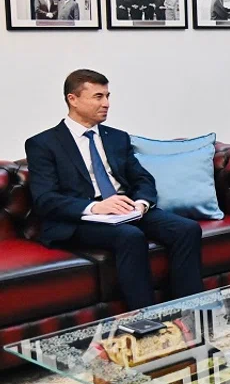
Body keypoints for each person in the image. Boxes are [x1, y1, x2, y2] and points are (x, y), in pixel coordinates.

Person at [25, 70, 203, 309]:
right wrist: (96, 206)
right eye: (98, 96)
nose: (106, 103)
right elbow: (45, 199)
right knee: (130, 236)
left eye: (108, 96)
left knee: (187, 229)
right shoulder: (43, 144)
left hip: (126, 209)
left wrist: (140, 204)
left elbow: (143, 179)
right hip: (81, 219)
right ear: (72, 99)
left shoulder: (117, 138)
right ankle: (145, 321)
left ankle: (190, 311)